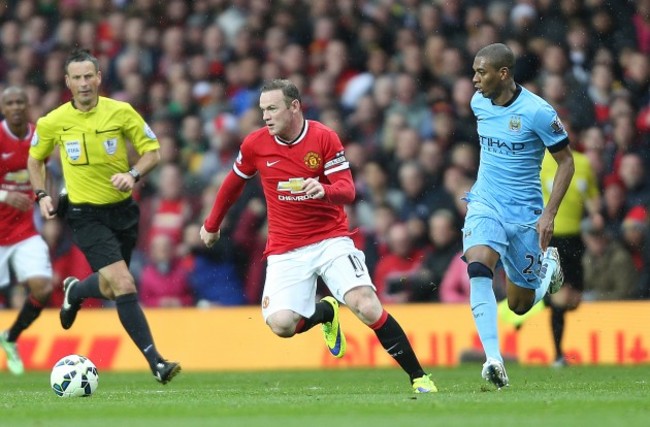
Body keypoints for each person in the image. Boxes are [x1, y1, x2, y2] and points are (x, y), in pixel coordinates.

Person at [199, 79, 436, 393]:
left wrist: (323, 189)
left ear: (294, 106)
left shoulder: (323, 137)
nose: (266, 116)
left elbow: (348, 190)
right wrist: (212, 224)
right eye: (262, 110)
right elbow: (233, 183)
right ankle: (326, 311)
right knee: (282, 325)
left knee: (365, 305)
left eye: (272, 108)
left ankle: (420, 377)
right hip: (285, 249)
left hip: (330, 240)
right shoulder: (255, 144)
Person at [26, 49, 180, 384]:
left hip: (123, 211)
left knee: (112, 288)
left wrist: (133, 175)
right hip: (83, 214)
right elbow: (34, 159)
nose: (83, 83)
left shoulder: (121, 112)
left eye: (88, 76)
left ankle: (76, 292)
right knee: (125, 282)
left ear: (99, 78)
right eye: (76, 78)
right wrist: (40, 195)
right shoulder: (53, 121)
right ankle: (156, 361)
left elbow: (153, 152)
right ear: (67, 82)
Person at [463, 43, 575, 389]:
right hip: (485, 203)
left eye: (481, 72)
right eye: (474, 71)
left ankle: (548, 271)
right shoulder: (478, 103)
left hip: (526, 214)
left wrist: (549, 214)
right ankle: (493, 359)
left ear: (503, 73)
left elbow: (566, 162)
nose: (474, 79)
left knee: (520, 303)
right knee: (479, 265)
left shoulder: (538, 112)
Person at [0, 86, 53, 375]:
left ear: (27, 104)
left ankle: (10, 337)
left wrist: (49, 204)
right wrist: (5, 196)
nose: (17, 106)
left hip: (23, 230)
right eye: (10, 103)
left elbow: (45, 173)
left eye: (21, 101)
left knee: (43, 289)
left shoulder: (38, 136)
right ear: (4, 108)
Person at [541, 143, 602, 367]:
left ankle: (540, 301)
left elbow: (592, 193)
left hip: (576, 238)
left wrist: (595, 213)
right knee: (561, 298)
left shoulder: (582, 162)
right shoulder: (541, 161)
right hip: (552, 237)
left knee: (574, 301)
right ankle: (558, 355)